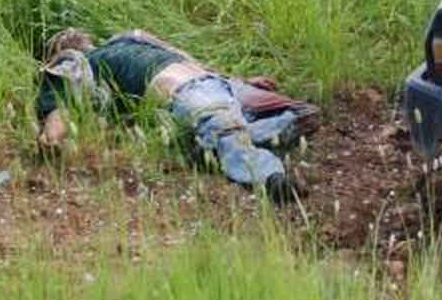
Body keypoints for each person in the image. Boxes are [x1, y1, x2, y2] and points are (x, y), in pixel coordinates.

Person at [35, 28, 315, 203]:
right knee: (224, 129)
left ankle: (211, 148)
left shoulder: (130, 38)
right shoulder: (77, 61)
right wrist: (51, 136)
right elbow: (62, 101)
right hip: (190, 92)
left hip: (217, 85)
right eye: (64, 38)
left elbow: (187, 59)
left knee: (302, 115)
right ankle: (271, 179)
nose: (70, 35)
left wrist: (239, 79)